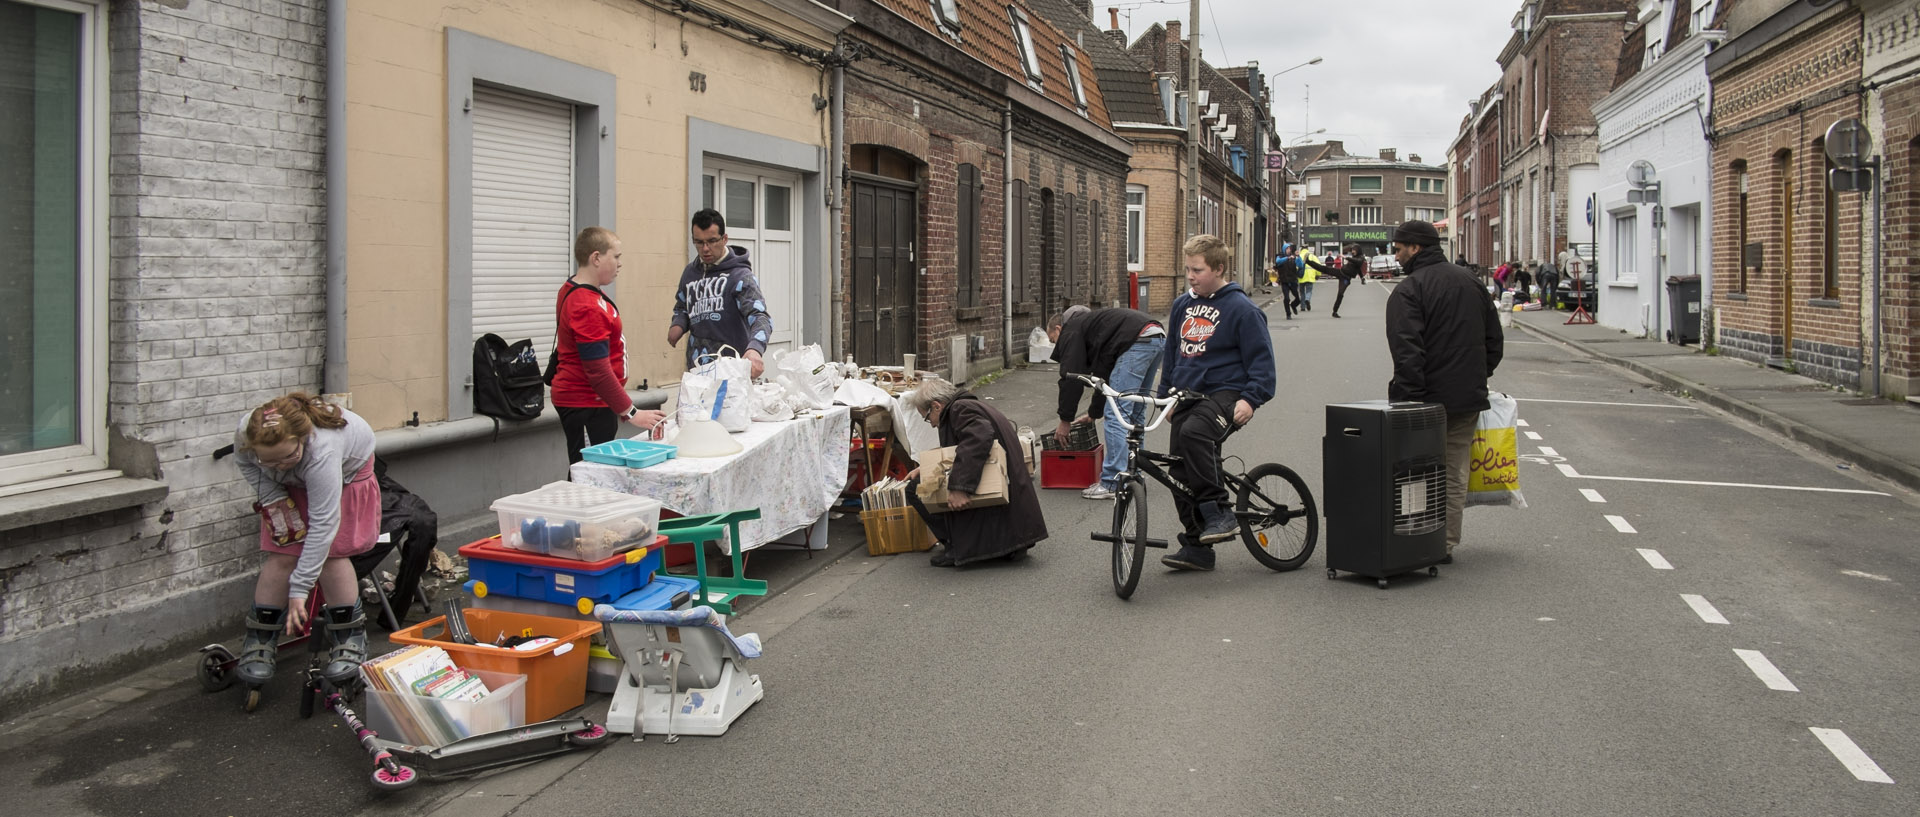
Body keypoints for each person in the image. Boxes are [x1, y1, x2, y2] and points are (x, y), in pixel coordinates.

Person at [231, 393, 381, 689]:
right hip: (291, 485)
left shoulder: (322, 449)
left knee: (332, 555)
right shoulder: (248, 431)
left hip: (345, 477)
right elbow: (245, 463)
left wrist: (299, 589)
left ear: (303, 438)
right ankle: (259, 640)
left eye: (288, 457)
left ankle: (348, 637)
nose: (280, 467)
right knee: (282, 553)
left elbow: (324, 525)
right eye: (269, 461)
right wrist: (272, 494)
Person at [1383, 220, 1504, 564]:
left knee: (1413, 472)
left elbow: (1407, 352)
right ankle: (1444, 543)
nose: (1396, 254)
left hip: (1423, 403)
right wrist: (1476, 377)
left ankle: (1414, 537)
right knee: (1453, 471)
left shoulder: (1409, 290)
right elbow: (1494, 341)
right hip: (1466, 399)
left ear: (1415, 248)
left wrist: (1409, 401)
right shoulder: (1472, 282)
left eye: (1399, 248)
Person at [1157, 234, 1277, 571]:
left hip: (1226, 393)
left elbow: (1263, 364)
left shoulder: (1242, 310)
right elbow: (1172, 354)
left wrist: (1251, 399)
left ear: (1219, 269)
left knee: (1196, 433)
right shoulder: (1183, 305)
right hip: (1186, 395)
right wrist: (1167, 395)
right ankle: (1197, 546)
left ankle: (1219, 511)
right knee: (1177, 471)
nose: (1191, 276)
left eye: (1197, 270)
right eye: (1188, 270)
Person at [900, 377, 1048, 567]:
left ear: (936, 406)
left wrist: (959, 487)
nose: (931, 423)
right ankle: (999, 545)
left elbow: (976, 440)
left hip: (998, 491)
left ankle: (954, 546)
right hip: (1012, 500)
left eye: (927, 417)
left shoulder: (959, 409)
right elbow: (964, 446)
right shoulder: (968, 405)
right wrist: (927, 467)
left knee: (915, 490)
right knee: (919, 483)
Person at [553, 227, 667, 465]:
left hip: (595, 402)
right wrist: (632, 412)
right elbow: (597, 370)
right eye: (615, 257)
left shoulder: (575, 290)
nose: (619, 264)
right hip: (586, 403)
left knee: (593, 470)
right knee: (588, 472)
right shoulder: (586, 305)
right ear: (596, 258)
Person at [1047, 305, 1167, 500]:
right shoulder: (1102, 330)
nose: (1055, 345)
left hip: (1137, 341)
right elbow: (1105, 379)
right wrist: (1094, 413)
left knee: (1116, 413)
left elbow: (1071, 379)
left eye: (1053, 340)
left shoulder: (1072, 330)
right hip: (1156, 337)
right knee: (1135, 411)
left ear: (1059, 329)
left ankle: (1112, 481)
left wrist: (1065, 421)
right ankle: (1134, 474)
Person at [669, 208, 773, 379]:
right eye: (699, 242)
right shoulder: (689, 273)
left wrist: (755, 349)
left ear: (725, 239)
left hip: (732, 374)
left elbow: (761, 317)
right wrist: (678, 324)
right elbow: (682, 306)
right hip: (697, 372)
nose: (705, 249)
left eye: (711, 241)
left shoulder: (740, 277)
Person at [1275, 247, 1304, 319]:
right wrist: (1287, 258)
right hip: (1284, 281)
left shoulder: (1293, 257)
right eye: (1287, 249)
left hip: (1293, 280)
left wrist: (1298, 256)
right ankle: (1288, 314)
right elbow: (1278, 262)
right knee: (1287, 298)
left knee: (1298, 299)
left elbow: (1300, 265)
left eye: (1290, 249)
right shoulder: (1280, 256)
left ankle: (1293, 305)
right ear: (1284, 249)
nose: (1289, 250)